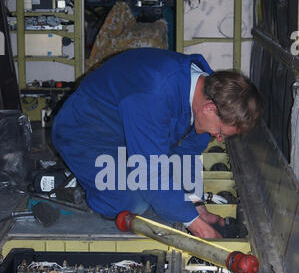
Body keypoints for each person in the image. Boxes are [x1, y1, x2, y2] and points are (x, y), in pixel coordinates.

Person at [51, 48, 262, 238]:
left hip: (129, 135)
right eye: (219, 132)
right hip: (84, 133)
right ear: (209, 109)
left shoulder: (207, 92)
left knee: (160, 190)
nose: (218, 138)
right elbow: (151, 173)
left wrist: (196, 206)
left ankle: (113, 172)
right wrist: (197, 227)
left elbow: (187, 152)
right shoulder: (155, 94)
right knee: (133, 202)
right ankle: (80, 185)